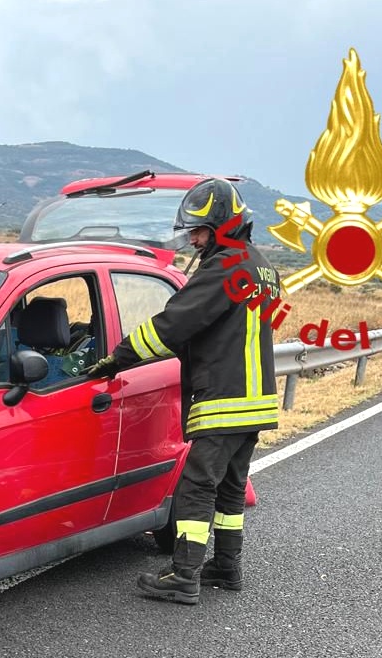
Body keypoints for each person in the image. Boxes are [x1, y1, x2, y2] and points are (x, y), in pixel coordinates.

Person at [85, 178, 280, 605]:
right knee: (230, 486)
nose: (193, 238)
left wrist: (118, 357)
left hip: (224, 399)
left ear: (224, 226)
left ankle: (184, 574)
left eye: (200, 230)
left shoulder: (225, 267)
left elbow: (173, 326)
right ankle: (227, 567)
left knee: (195, 486)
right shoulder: (262, 266)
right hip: (255, 399)